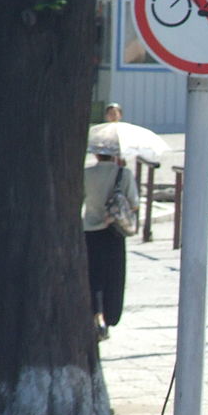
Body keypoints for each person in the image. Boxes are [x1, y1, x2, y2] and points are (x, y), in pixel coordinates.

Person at [83, 144, 139, 341]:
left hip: (90, 230)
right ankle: (110, 317)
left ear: (97, 154)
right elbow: (134, 203)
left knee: (94, 275)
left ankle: (96, 316)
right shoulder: (124, 174)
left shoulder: (86, 174)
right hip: (115, 231)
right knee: (113, 277)